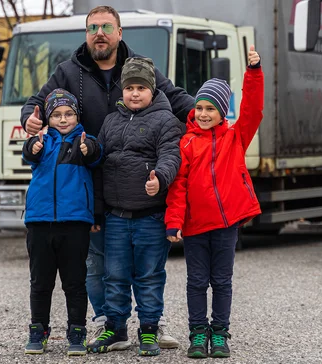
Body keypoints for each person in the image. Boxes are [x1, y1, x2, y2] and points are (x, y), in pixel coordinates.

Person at [20, 5, 194, 348]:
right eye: (93, 27)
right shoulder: (67, 70)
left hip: (136, 183)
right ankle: (109, 323)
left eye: (106, 27)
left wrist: (208, 114)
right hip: (87, 180)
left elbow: (175, 99)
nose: (99, 33)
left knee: (145, 266)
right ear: (86, 34)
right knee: (98, 262)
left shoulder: (140, 68)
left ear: (119, 33)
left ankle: (150, 325)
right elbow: (37, 102)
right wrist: (30, 117)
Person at [165, 45, 264, 358]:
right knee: (196, 283)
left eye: (211, 109)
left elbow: (253, 109)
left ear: (223, 112)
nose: (204, 114)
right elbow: (178, 186)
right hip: (195, 227)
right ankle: (197, 334)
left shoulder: (235, 138)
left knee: (222, 281)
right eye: (200, 108)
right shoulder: (187, 143)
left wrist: (254, 73)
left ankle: (219, 333)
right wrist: (174, 221)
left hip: (225, 225)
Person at [87, 57, 184, 356]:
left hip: (150, 217)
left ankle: (149, 330)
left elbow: (171, 156)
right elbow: (100, 166)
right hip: (116, 217)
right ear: (122, 91)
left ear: (152, 90)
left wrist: (161, 179)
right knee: (114, 276)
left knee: (150, 276)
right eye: (129, 87)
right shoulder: (111, 121)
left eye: (141, 87)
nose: (134, 93)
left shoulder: (165, 120)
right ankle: (115, 330)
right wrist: (97, 211)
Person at [21, 89, 102, 356]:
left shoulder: (84, 139)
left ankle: (77, 332)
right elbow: (28, 155)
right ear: (48, 117)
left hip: (75, 223)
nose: (63, 119)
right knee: (40, 283)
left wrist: (89, 149)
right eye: (56, 115)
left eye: (69, 114)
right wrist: (32, 146)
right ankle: (38, 330)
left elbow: (97, 154)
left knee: (75, 282)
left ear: (77, 116)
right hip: (40, 222)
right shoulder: (42, 140)